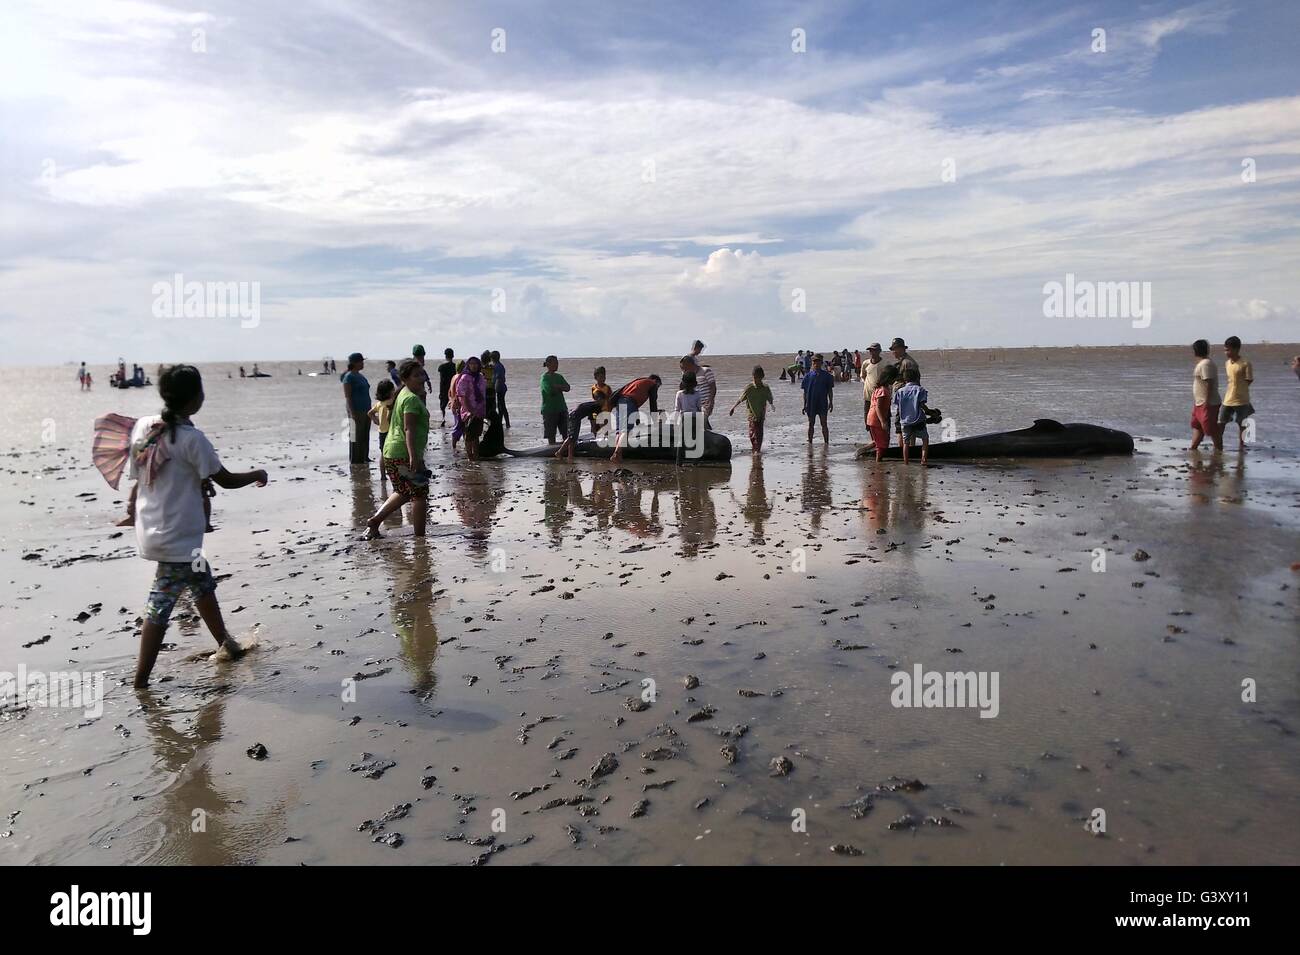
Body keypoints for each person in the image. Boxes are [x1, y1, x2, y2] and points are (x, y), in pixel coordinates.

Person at [128, 365, 268, 687]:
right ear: (195, 399)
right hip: (176, 535)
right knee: (160, 605)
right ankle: (140, 680)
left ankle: (227, 644)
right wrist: (257, 474)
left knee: (201, 581)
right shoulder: (193, 439)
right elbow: (226, 479)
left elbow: (141, 476)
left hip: (153, 529)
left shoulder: (144, 428)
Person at [367, 359, 431, 539]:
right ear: (404, 378)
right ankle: (420, 540)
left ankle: (375, 521)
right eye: (416, 375)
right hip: (403, 453)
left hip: (390, 452)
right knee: (419, 494)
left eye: (422, 374)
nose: (421, 378)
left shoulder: (402, 393)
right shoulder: (410, 398)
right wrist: (413, 457)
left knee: (403, 492)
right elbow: (408, 428)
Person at [556, 375, 661, 464]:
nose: (657, 388)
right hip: (628, 402)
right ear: (656, 381)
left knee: (620, 431)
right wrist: (655, 421)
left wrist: (638, 422)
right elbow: (653, 403)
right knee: (626, 430)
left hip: (620, 401)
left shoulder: (637, 382)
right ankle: (617, 454)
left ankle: (616, 452)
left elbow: (625, 400)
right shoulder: (652, 384)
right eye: (658, 386)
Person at [892, 366, 933, 465]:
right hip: (919, 419)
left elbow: (897, 404)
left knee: (906, 442)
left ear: (904, 380)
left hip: (905, 421)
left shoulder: (899, 392)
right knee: (925, 439)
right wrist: (930, 412)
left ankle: (906, 462)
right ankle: (923, 460)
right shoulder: (920, 390)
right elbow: (922, 405)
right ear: (916, 378)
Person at [1219, 336, 1254, 451]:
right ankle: (1218, 443)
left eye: (1228, 350)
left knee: (1242, 423)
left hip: (1242, 399)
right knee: (1221, 422)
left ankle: (1242, 445)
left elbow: (1249, 379)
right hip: (1228, 398)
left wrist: (1241, 389)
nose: (1226, 352)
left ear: (1236, 349)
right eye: (1225, 350)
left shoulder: (1245, 363)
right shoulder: (1227, 363)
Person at [730, 365, 774, 455]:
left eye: (757, 378)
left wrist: (772, 404)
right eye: (754, 377)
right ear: (752, 376)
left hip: (761, 413)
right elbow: (741, 399)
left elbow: (770, 399)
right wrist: (733, 407)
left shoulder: (765, 388)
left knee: (759, 432)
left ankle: (757, 450)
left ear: (762, 377)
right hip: (751, 414)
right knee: (752, 433)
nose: (755, 380)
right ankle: (755, 448)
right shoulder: (749, 388)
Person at [1189, 339, 1222, 451]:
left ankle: (1219, 449)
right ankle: (1193, 447)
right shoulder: (1202, 363)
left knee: (1211, 428)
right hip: (1200, 402)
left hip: (1208, 403)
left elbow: (1209, 383)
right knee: (1197, 425)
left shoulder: (1206, 364)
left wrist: (1206, 402)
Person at [341, 352, 372, 465]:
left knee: (364, 434)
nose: (363, 363)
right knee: (355, 436)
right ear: (354, 363)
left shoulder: (360, 376)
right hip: (356, 410)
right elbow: (348, 396)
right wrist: (352, 412)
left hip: (366, 409)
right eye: (361, 361)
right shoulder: (349, 377)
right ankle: (355, 460)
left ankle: (364, 457)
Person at [457, 355, 489, 460]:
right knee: (469, 435)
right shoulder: (465, 378)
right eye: (472, 364)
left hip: (479, 410)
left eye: (476, 364)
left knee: (476, 435)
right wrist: (469, 411)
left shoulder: (480, 377)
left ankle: (476, 456)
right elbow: (462, 395)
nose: (474, 366)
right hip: (468, 411)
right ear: (468, 365)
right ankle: (470, 457)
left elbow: (483, 394)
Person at [865, 365, 897, 461]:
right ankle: (878, 463)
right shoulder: (883, 390)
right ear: (889, 378)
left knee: (880, 441)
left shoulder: (879, 389)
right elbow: (878, 407)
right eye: (893, 378)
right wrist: (883, 421)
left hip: (873, 418)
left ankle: (865, 451)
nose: (894, 381)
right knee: (882, 444)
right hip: (876, 419)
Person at [801, 353, 834, 444]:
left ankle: (826, 443)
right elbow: (805, 392)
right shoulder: (807, 376)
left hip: (823, 402)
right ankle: (810, 443)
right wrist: (804, 404)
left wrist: (831, 402)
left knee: (824, 424)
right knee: (811, 424)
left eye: (818, 361)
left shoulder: (827, 376)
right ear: (812, 363)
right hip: (811, 403)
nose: (816, 364)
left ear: (821, 362)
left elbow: (830, 390)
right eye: (814, 362)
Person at [540, 355, 570, 444]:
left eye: (557, 363)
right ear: (548, 364)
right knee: (551, 436)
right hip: (549, 410)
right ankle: (552, 453)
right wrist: (561, 387)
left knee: (566, 434)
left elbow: (568, 388)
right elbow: (550, 391)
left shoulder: (559, 377)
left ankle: (566, 451)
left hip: (562, 408)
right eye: (555, 363)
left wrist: (557, 386)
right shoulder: (545, 378)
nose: (557, 365)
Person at [373, 379, 397, 455]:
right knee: (391, 451)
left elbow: (370, 413)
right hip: (390, 431)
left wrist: (375, 420)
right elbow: (388, 418)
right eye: (393, 390)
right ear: (390, 392)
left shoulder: (379, 403)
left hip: (381, 431)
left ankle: (383, 466)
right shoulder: (391, 403)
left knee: (383, 452)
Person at [436, 348, 456, 425]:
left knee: (442, 406)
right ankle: (455, 419)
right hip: (452, 388)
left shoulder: (442, 367)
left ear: (445, 356)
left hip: (444, 388)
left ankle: (443, 418)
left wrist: (441, 391)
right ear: (453, 356)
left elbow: (442, 380)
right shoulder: (454, 366)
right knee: (454, 404)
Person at [590, 366, 612, 436]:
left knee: (605, 428)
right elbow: (594, 398)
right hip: (595, 410)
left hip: (605, 410)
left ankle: (606, 439)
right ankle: (595, 439)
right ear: (595, 377)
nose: (603, 378)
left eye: (604, 377)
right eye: (601, 377)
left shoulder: (607, 388)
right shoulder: (593, 388)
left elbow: (611, 399)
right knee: (594, 426)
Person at [492, 350, 510, 429]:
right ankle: (502, 422)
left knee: (501, 406)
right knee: (501, 406)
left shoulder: (497, 366)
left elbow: (498, 379)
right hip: (502, 387)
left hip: (500, 388)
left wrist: (495, 389)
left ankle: (507, 423)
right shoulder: (499, 365)